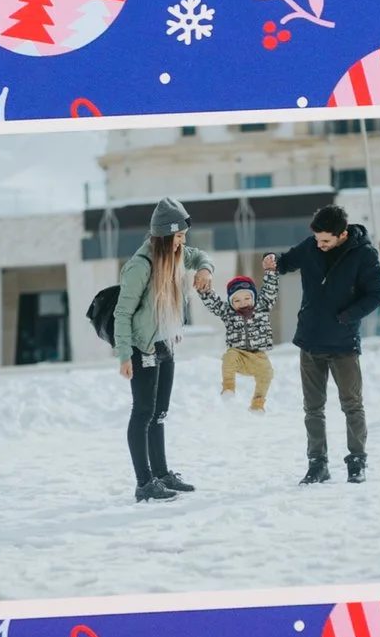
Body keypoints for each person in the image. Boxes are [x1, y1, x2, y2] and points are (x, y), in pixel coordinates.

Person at [265, 201, 380, 485]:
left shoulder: (364, 255)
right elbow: (285, 262)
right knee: (313, 408)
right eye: (317, 239)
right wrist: (272, 259)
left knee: (352, 405)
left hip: (343, 343)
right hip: (310, 340)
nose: (319, 244)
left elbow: (377, 293)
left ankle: (357, 462)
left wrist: (347, 317)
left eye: (325, 240)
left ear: (342, 234)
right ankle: (317, 464)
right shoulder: (311, 247)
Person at [111, 197, 218, 504]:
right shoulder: (140, 266)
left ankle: (162, 473)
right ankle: (144, 483)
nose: (183, 242)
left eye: (184, 236)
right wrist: (123, 355)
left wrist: (206, 271)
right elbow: (122, 313)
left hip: (165, 343)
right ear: (163, 236)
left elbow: (201, 257)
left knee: (159, 413)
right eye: (178, 236)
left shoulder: (178, 254)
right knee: (143, 412)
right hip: (141, 346)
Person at [217, 268, 277, 412]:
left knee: (267, 373)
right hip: (238, 354)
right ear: (231, 302)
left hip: (258, 355)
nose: (243, 303)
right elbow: (214, 303)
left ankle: (257, 404)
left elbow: (270, 291)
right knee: (229, 356)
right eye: (237, 300)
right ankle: (228, 388)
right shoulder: (228, 313)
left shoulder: (262, 307)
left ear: (254, 297)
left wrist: (270, 271)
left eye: (247, 298)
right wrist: (205, 291)